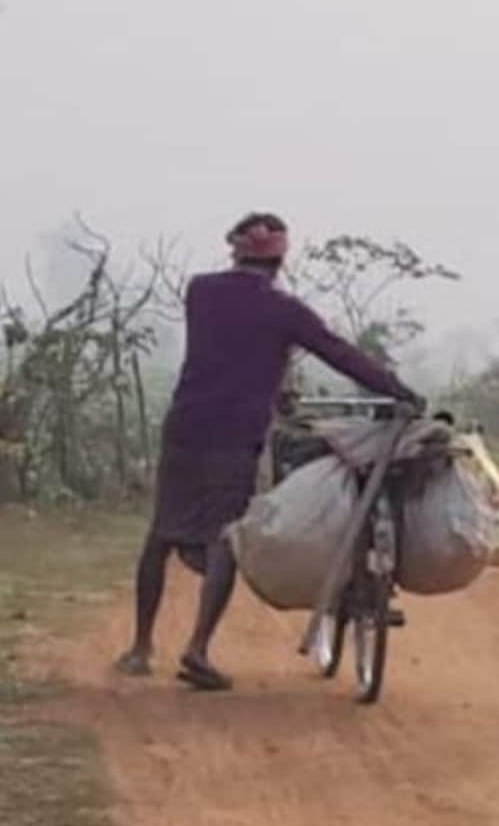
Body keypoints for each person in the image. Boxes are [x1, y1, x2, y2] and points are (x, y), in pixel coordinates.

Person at [115, 212, 421, 691]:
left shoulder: (200, 292)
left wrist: (273, 384)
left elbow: (231, 350)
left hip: (186, 428)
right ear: (280, 261)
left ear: (235, 250)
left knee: (162, 533)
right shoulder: (285, 311)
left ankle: (140, 647)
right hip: (235, 436)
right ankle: (197, 648)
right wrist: (399, 390)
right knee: (224, 538)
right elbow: (339, 354)